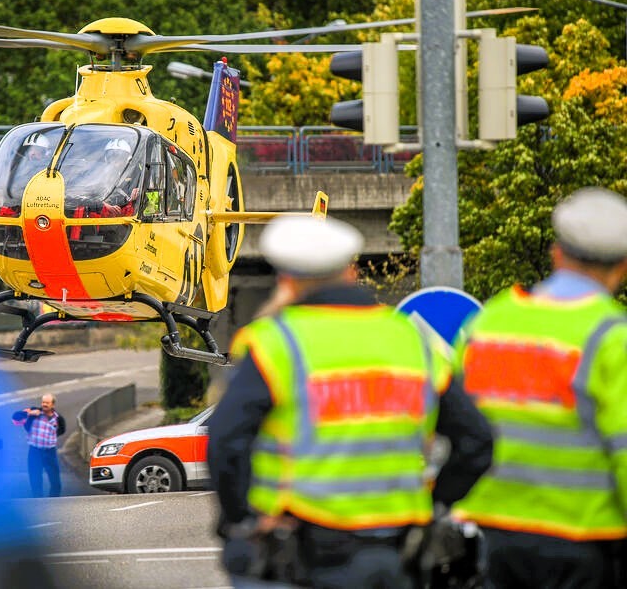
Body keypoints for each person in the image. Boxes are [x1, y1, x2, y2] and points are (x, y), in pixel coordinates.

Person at [207, 215, 494, 589]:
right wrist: (435, 502)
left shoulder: (274, 341)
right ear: (353, 272)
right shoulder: (412, 339)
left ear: (287, 281)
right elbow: (476, 440)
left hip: (306, 550)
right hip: (397, 552)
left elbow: (227, 442)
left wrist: (243, 517)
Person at [451, 186, 627, 589]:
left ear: (557, 253)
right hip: (583, 540)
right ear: (622, 266)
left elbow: (456, 425)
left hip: (489, 537)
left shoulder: (488, 322)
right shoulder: (612, 337)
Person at [12, 393, 66, 498]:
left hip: (50, 451)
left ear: (53, 405)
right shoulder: (33, 412)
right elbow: (15, 418)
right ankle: (38, 499)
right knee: (35, 476)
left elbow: (62, 430)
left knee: (55, 478)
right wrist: (30, 414)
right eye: (43, 402)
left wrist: (52, 437)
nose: (44, 404)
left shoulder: (58, 418)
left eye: (47, 403)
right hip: (35, 450)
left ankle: (54, 500)